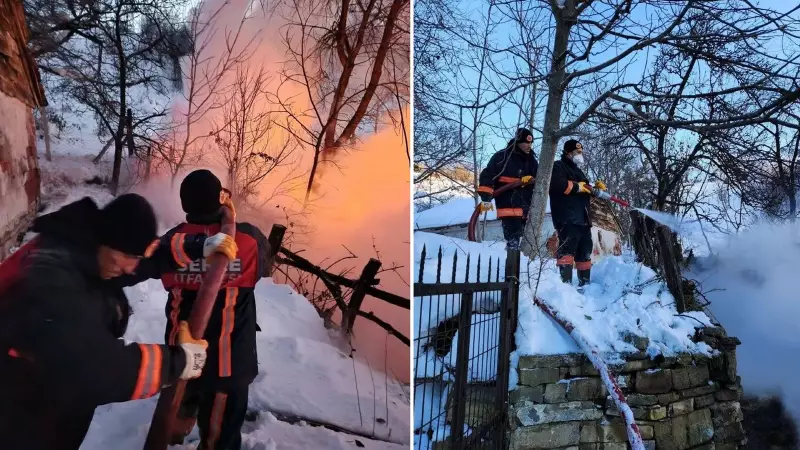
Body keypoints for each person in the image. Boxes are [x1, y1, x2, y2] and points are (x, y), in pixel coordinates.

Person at [0, 194, 229, 450]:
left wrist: (199, 246)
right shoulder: (50, 280)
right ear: (106, 242)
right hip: (19, 419)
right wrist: (178, 362)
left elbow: (146, 257)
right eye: (127, 258)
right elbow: (93, 365)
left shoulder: (90, 248)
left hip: (49, 409)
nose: (131, 269)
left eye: (135, 258)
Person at [115, 170, 273, 450]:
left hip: (182, 359)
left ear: (185, 205)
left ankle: (174, 435)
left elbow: (143, 262)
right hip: (229, 365)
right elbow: (264, 264)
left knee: (173, 414)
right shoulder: (247, 240)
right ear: (219, 200)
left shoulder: (174, 243)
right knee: (220, 438)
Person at [548, 139, 605, 286]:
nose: (580, 155)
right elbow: (557, 185)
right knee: (567, 252)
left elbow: (584, 190)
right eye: (577, 152)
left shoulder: (578, 171)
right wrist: (578, 187)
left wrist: (595, 190)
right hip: (567, 217)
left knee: (585, 251)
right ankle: (565, 288)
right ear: (568, 153)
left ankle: (585, 286)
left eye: (581, 153)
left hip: (583, 219)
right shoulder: (558, 167)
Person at [477, 128, 540, 250]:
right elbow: (488, 176)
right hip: (508, 205)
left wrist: (531, 181)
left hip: (526, 207)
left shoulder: (532, 161)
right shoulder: (502, 157)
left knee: (526, 240)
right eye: (525, 143)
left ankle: (519, 264)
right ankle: (511, 263)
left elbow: (539, 181)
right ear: (517, 142)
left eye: (531, 143)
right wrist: (486, 197)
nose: (529, 146)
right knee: (513, 239)